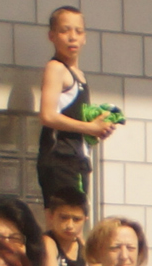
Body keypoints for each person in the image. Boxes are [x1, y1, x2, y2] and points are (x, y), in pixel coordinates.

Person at [36, 7, 116, 203]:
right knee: (65, 217)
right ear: (52, 36)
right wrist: (89, 128)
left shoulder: (79, 75)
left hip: (77, 158)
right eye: (65, 31)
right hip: (60, 158)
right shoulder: (55, 68)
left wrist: (97, 126)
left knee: (79, 215)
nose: (72, 37)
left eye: (78, 32)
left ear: (84, 38)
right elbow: (47, 115)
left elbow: (70, 112)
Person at [43, 190, 97, 266]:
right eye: (63, 218)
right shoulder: (47, 242)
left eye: (76, 219)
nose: (69, 225)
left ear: (85, 220)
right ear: (51, 216)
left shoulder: (84, 247)